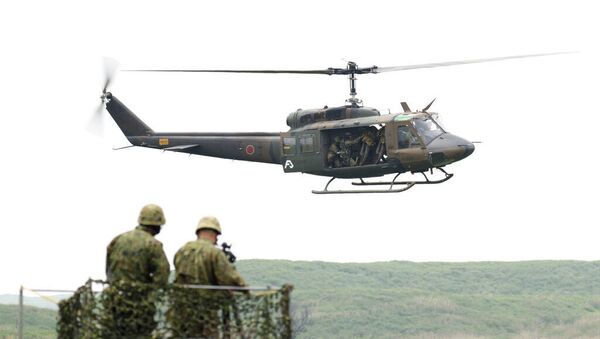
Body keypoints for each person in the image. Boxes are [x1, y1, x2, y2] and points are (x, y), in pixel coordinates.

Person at [170, 216, 246, 338]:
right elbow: (229, 278)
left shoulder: (181, 251)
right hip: (205, 313)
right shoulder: (214, 253)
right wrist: (245, 288)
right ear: (215, 233)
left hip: (181, 310)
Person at [103, 204, 170, 338]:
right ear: (157, 225)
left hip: (114, 302)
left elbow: (108, 269)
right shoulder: (153, 244)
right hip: (139, 307)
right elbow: (162, 277)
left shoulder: (117, 240)